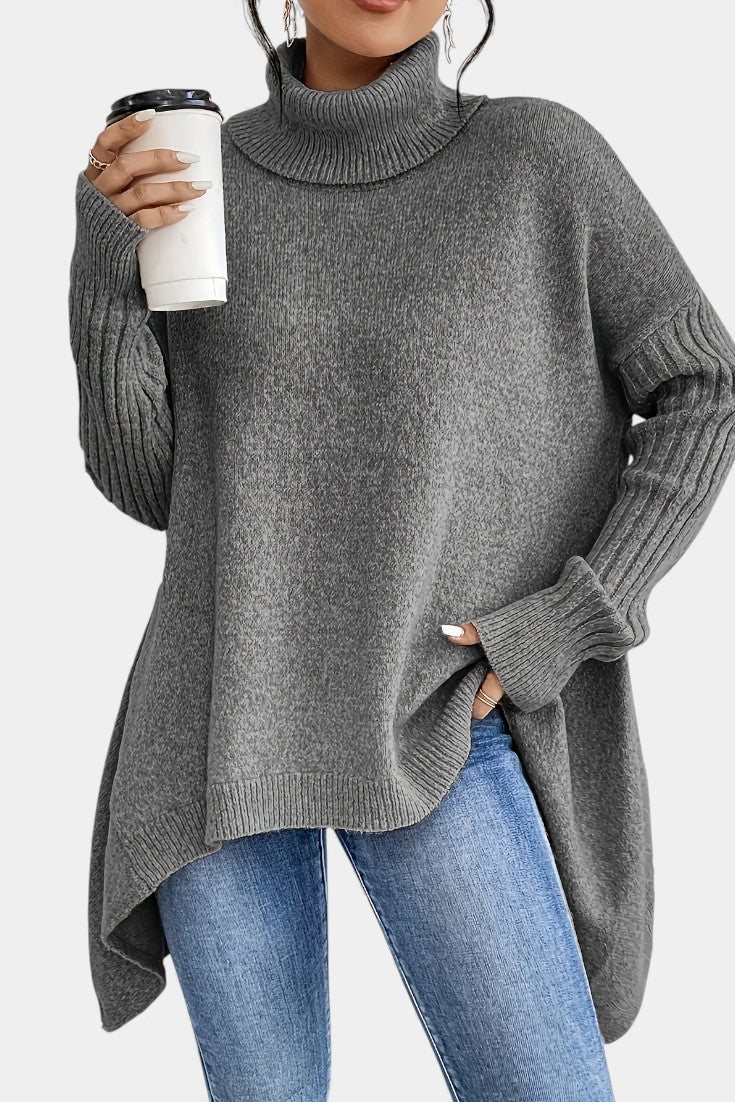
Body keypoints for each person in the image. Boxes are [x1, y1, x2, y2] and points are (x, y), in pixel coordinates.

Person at [68, 1, 735, 1099]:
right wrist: (107, 267)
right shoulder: (200, 179)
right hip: (220, 726)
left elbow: (702, 390)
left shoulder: (538, 158)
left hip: (438, 709)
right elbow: (161, 491)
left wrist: (569, 619)